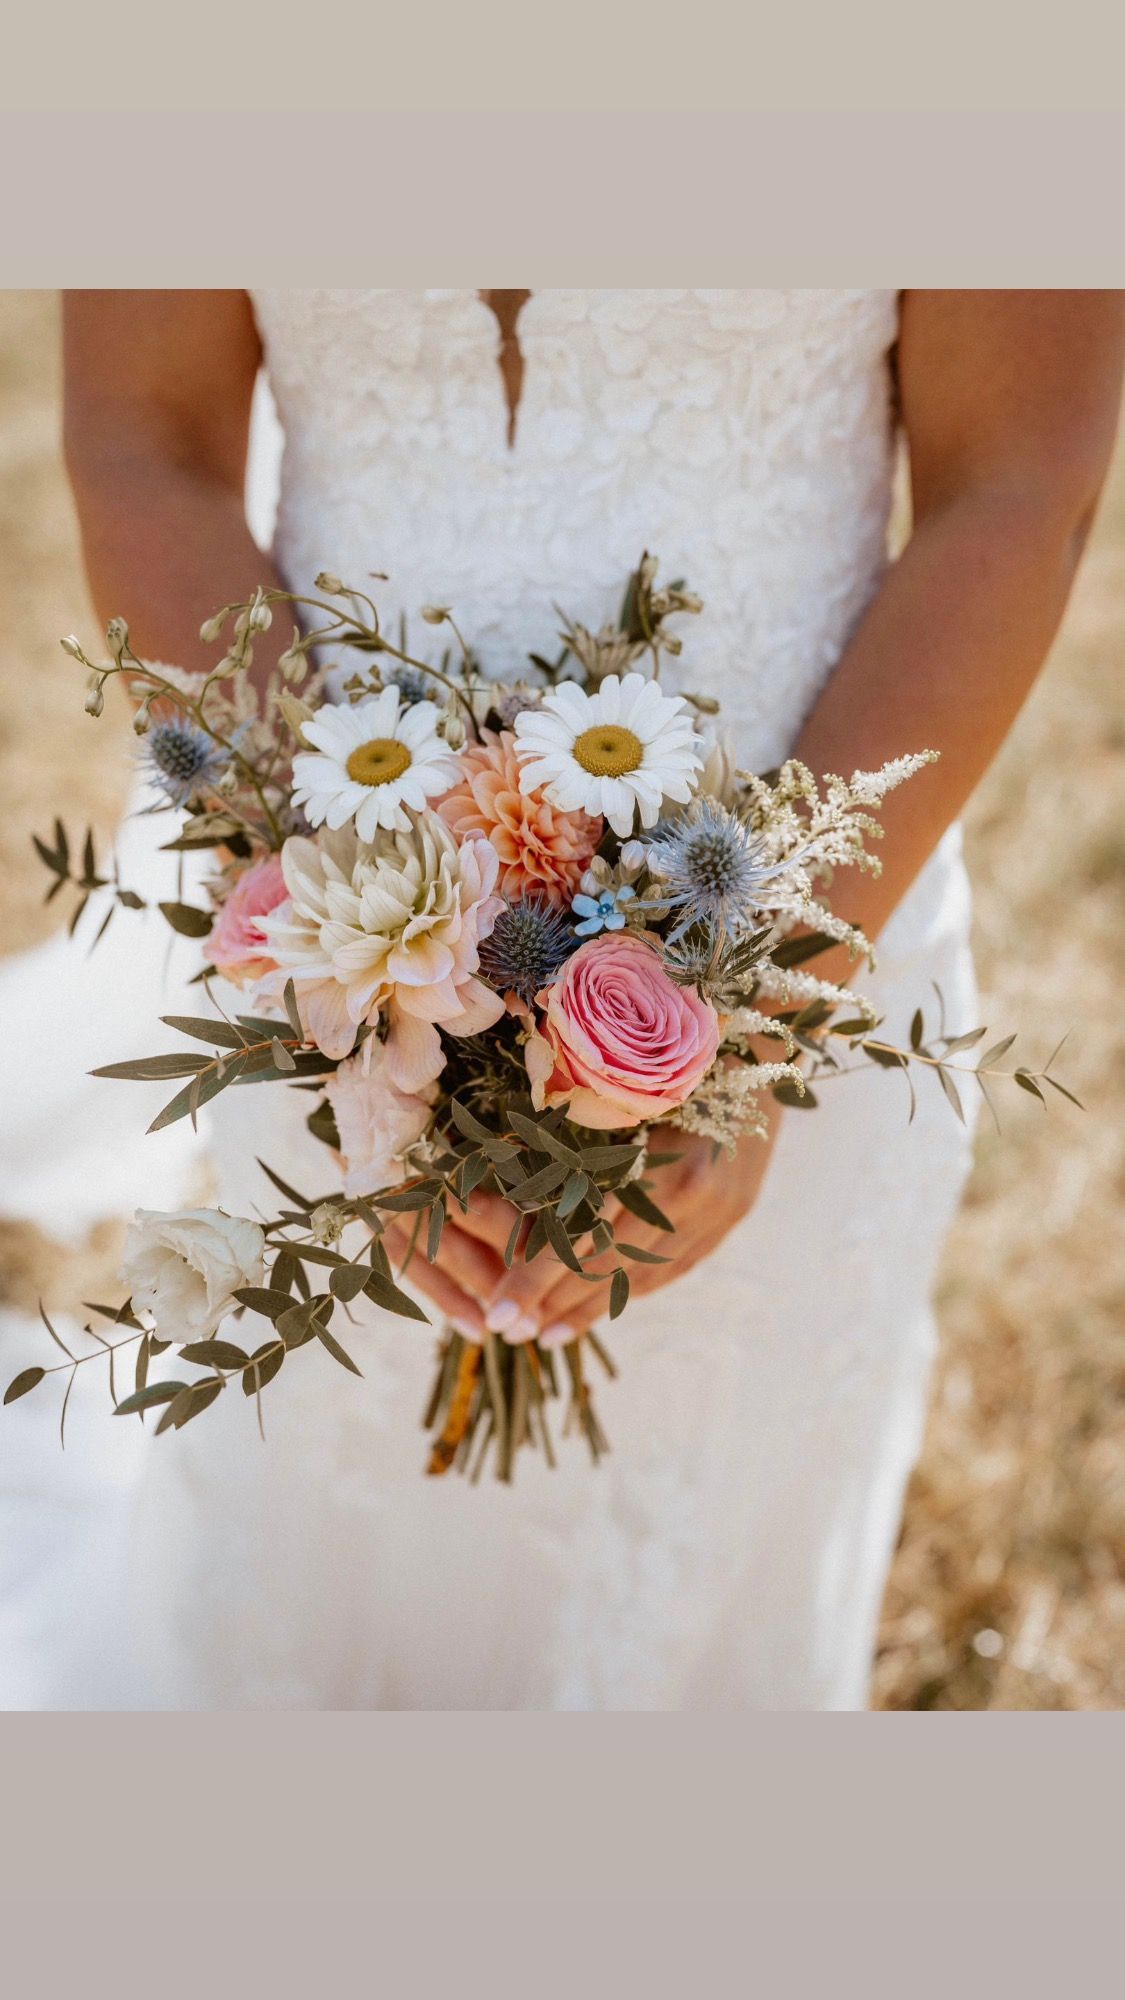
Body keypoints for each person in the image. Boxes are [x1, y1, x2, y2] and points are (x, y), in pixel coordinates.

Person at [7, 288, 1120, 1710]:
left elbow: (1017, 483)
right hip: (322, 872)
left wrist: (759, 1005)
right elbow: (141, 437)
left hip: (809, 887)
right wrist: (346, 953)